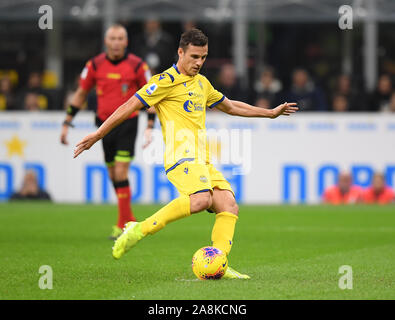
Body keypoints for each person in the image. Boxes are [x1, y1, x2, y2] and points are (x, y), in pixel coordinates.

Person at [73, 29, 298, 279]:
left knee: (229, 204)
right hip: (180, 156)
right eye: (194, 56)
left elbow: (231, 106)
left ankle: (219, 262)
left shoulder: (202, 83)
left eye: (203, 57)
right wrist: (97, 134)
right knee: (201, 199)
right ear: (180, 52)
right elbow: (129, 106)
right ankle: (138, 229)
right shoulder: (164, 82)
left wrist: (270, 113)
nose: (199, 63)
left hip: (203, 158)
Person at [60, 24, 155, 240]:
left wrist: (150, 126)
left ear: (126, 42)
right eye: (113, 38)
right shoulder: (94, 65)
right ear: (106, 41)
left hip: (127, 124)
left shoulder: (138, 66)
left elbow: (151, 97)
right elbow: (81, 93)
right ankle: (129, 221)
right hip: (103, 127)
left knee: (120, 173)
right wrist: (67, 122)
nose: (116, 42)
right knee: (113, 174)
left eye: (120, 38)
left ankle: (121, 226)